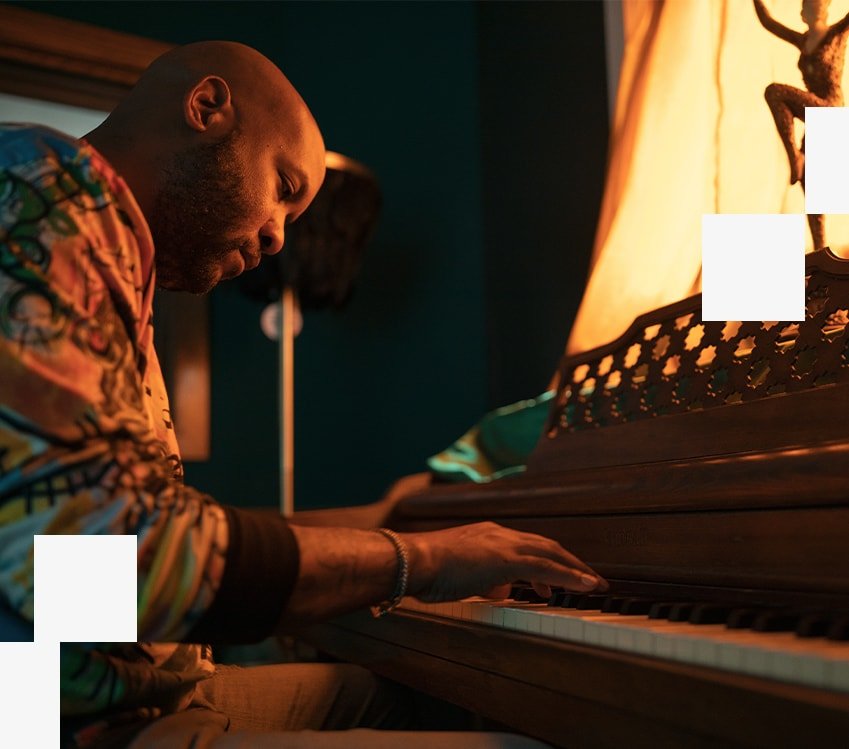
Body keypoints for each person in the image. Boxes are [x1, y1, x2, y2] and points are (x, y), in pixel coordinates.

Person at [0, 41, 607, 748]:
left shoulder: (103, 246)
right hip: (50, 722)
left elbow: (124, 534)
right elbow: (94, 561)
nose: (275, 237)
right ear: (206, 106)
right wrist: (423, 560)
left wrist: (384, 524)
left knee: (407, 699)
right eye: (284, 187)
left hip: (137, 694)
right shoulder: (46, 199)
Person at [753, 0, 849, 249]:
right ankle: (820, 251)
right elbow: (768, 23)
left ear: (820, 10)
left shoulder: (837, 34)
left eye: (806, 7)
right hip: (814, 119)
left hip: (830, 111)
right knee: (813, 188)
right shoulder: (802, 40)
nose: (801, 11)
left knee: (775, 92)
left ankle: (795, 157)